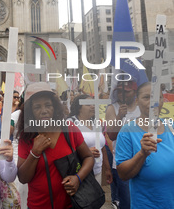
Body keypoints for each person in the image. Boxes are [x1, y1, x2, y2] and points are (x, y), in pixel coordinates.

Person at [17, 82, 94, 209]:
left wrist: (77, 179)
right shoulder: (27, 137)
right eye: (37, 107)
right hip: (38, 206)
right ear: (30, 111)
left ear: (55, 108)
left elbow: (89, 157)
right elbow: (23, 178)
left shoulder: (69, 129)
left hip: (72, 204)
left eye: (48, 105)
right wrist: (34, 152)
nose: (44, 111)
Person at [116, 82, 174, 208]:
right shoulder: (128, 132)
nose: (153, 102)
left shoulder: (171, 127)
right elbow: (123, 174)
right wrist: (142, 154)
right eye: (147, 97)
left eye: (157, 97)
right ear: (137, 101)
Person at [106, 80, 140, 209]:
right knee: (127, 201)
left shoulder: (141, 108)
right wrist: (119, 116)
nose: (122, 94)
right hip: (122, 162)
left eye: (126, 91)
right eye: (119, 91)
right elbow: (111, 135)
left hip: (143, 160)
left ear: (135, 92)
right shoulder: (112, 108)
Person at [67, 94, 112, 185]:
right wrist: (86, 152)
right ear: (79, 108)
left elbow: (102, 147)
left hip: (97, 171)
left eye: (93, 104)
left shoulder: (96, 123)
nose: (92, 107)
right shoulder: (71, 123)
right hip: (80, 173)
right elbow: (66, 149)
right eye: (88, 105)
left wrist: (107, 169)